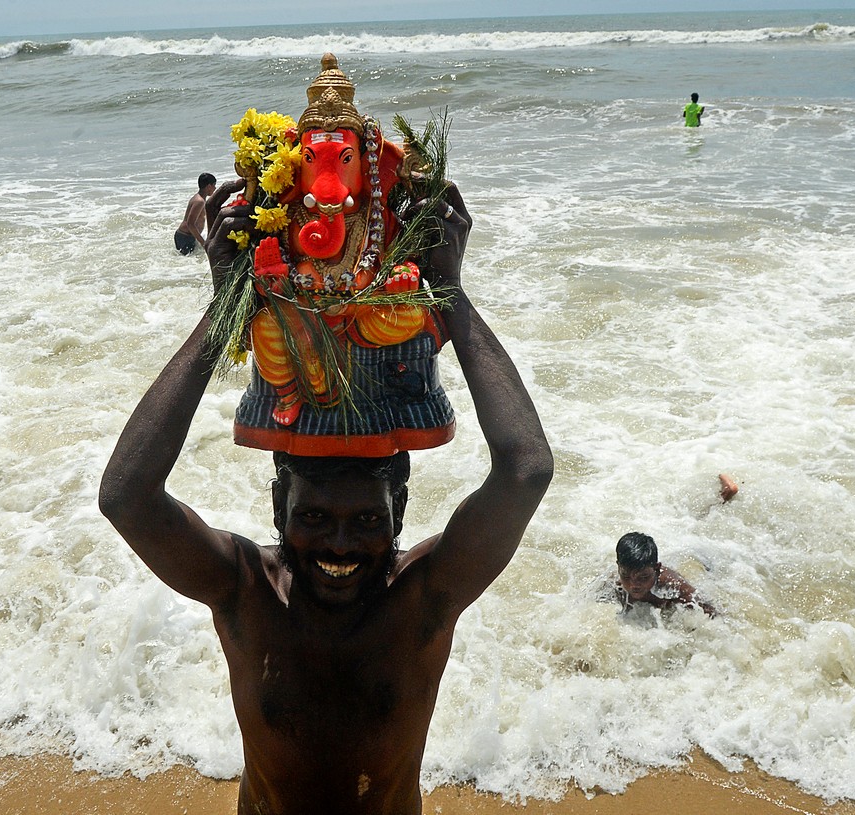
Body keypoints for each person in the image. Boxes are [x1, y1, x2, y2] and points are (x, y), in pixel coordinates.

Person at [99, 178, 554, 815]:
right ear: (277, 505)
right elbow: (125, 497)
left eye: (367, 519)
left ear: (399, 511)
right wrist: (226, 305)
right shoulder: (244, 590)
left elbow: (527, 471)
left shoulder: (422, 600)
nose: (340, 544)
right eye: (313, 516)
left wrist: (451, 295)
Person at [612, 531, 717, 617]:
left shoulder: (675, 587)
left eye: (643, 577)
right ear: (618, 567)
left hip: (702, 558)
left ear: (656, 569)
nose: (634, 584)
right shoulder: (616, 586)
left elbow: (711, 613)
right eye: (625, 576)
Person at [174, 172, 216, 255]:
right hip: (185, 237)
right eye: (214, 185)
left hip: (189, 236)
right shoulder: (199, 201)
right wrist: (203, 243)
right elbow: (190, 224)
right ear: (209, 186)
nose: (215, 188)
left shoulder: (200, 199)